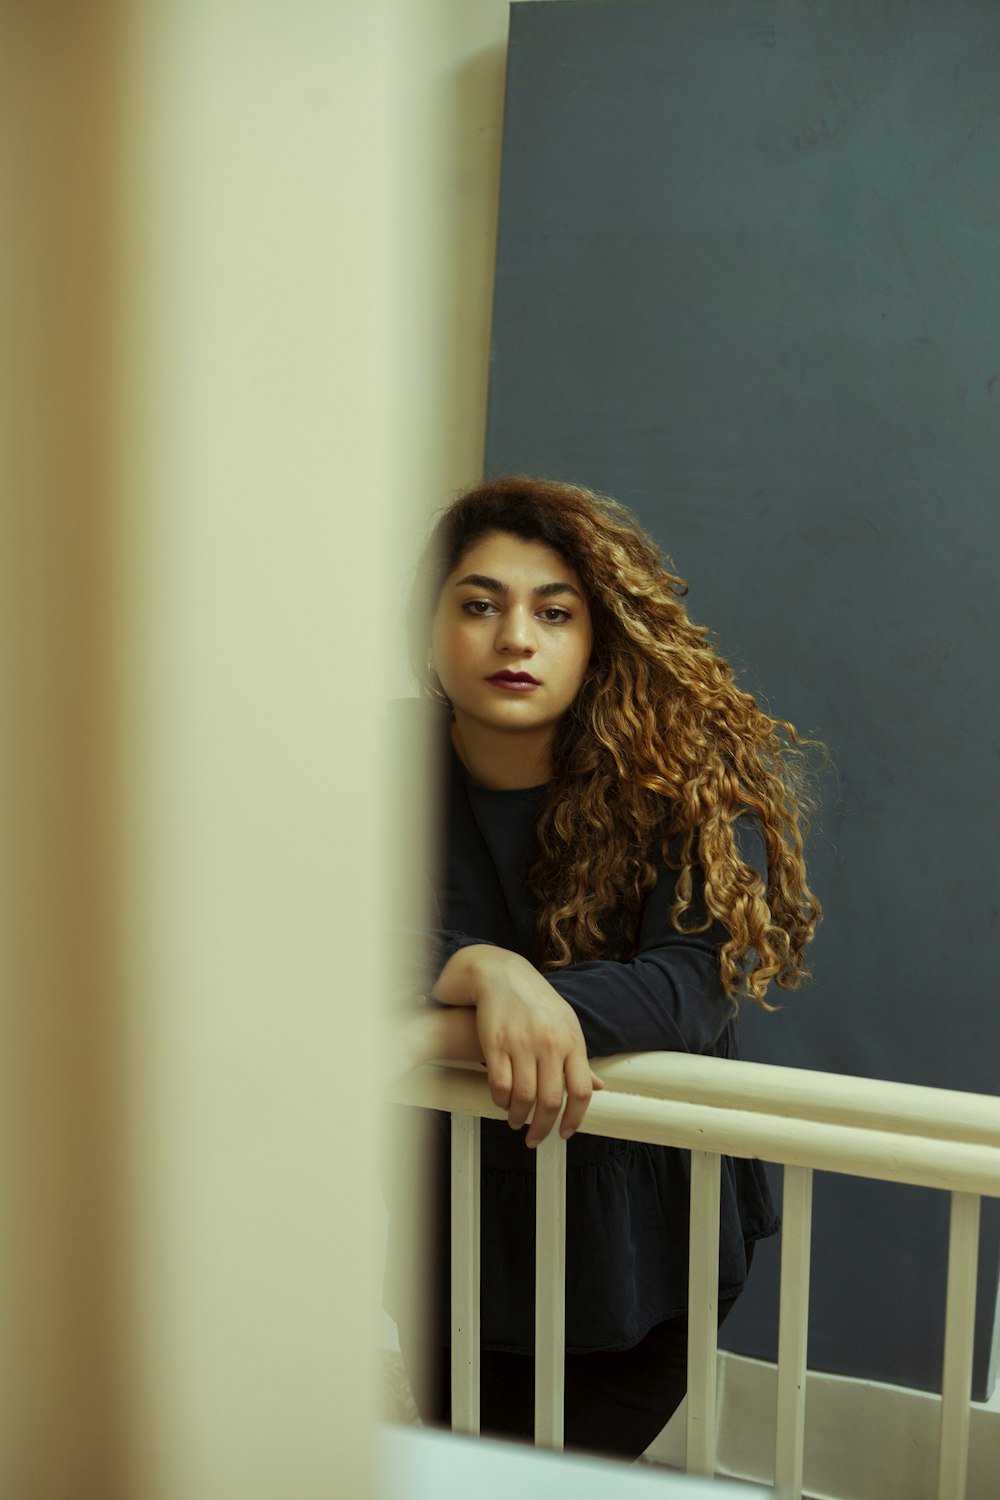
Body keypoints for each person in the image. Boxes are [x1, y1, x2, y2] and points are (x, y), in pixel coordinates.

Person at [384, 475, 820, 1462]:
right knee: (462, 1467)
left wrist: (424, 1026)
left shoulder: (660, 784)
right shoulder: (374, 763)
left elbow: (685, 990)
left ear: (595, 641)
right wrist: (492, 972)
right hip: (456, 1236)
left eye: (554, 611)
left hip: (647, 1247)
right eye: (479, 604)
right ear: (429, 628)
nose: (514, 639)